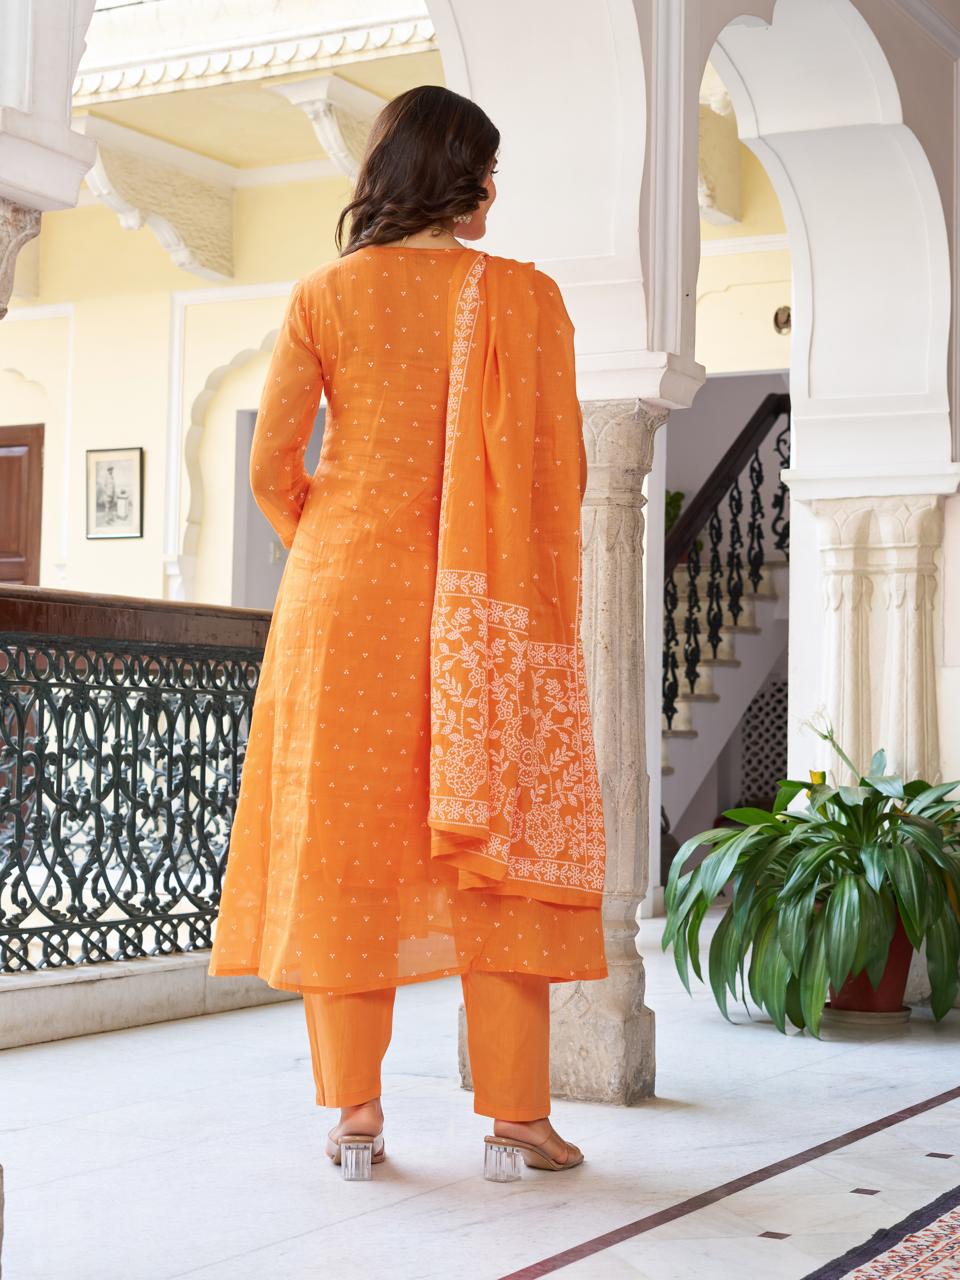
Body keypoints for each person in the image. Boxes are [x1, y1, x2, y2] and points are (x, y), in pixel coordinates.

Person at [208, 84, 607, 1181]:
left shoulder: (324, 297)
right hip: (492, 627)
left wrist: (337, 546)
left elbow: (267, 467)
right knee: (501, 863)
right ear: (458, 179)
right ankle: (518, 1119)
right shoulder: (524, 302)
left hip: (346, 621)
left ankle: (356, 1116)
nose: (492, 192)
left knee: (347, 856)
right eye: (486, 171)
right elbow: (558, 473)